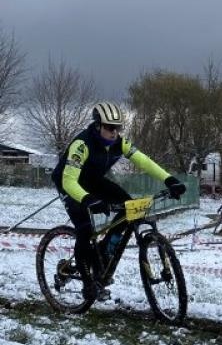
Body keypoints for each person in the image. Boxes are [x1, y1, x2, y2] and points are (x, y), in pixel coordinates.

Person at [52, 102, 186, 300]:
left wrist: (169, 179)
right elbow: (69, 180)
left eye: (118, 128)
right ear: (98, 126)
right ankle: (88, 285)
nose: (114, 132)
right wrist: (88, 200)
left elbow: (143, 161)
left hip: (93, 181)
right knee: (85, 229)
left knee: (130, 206)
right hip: (68, 184)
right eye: (109, 127)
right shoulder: (82, 145)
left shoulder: (119, 143)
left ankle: (105, 250)